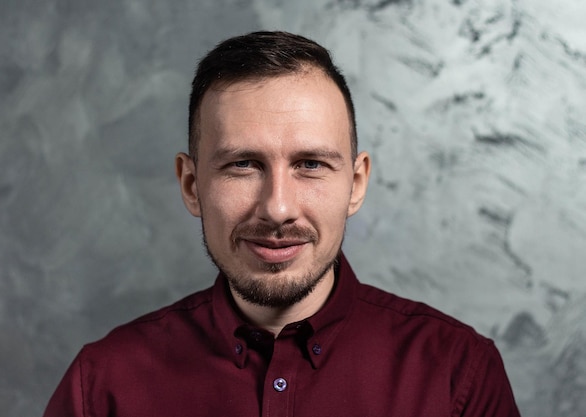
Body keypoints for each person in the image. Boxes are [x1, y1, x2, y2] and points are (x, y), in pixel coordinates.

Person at [44, 31, 521, 416]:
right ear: (192, 185)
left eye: (310, 164)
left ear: (355, 184)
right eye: (243, 165)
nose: (277, 209)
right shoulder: (102, 387)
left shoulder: (459, 374)